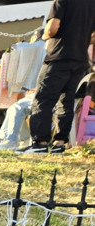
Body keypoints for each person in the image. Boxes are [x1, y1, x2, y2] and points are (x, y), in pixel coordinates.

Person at [20, 0, 95, 154]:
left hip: (59, 56)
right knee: (66, 101)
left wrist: (44, 35)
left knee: (43, 99)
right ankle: (59, 143)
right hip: (80, 59)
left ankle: (40, 142)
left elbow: (52, 28)